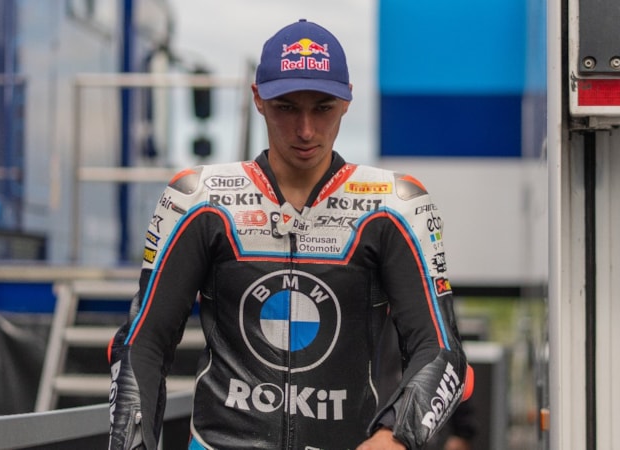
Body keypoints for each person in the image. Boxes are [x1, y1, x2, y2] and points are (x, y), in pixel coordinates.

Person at [108, 18, 472, 450]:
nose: (305, 130)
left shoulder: (394, 206)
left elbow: (442, 352)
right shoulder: (199, 199)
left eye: (322, 108)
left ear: (347, 99)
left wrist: (396, 436)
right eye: (286, 107)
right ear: (258, 99)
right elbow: (142, 343)